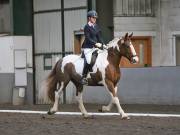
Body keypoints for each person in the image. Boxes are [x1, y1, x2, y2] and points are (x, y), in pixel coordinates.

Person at [80, 10, 105, 85]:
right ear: (89, 18)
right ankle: (83, 77)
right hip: (88, 47)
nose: (95, 19)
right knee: (88, 61)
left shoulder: (96, 26)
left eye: (95, 18)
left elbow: (99, 37)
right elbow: (88, 38)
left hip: (95, 47)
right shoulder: (86, 27)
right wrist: (95, 43)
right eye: (93, 18)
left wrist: (103, 44)